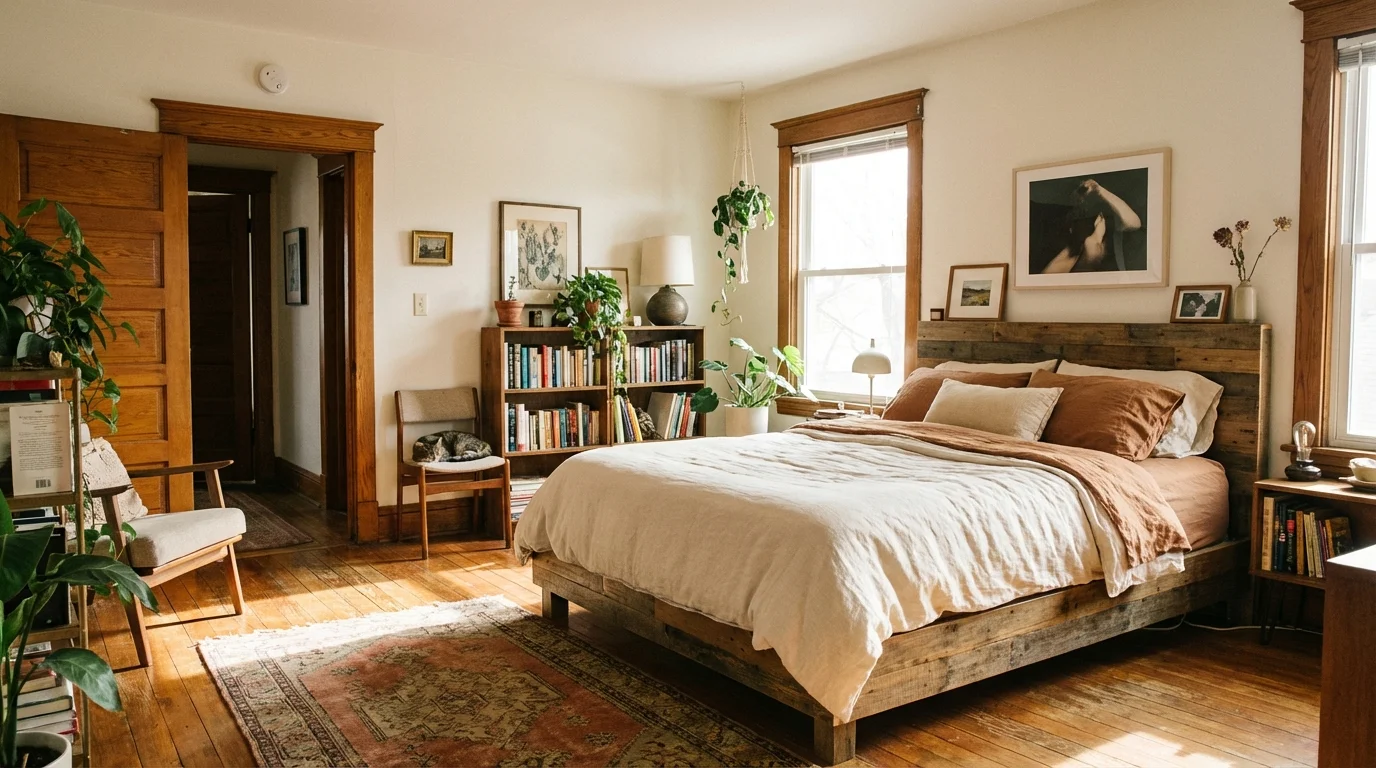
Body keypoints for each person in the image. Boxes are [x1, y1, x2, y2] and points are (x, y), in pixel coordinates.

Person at [1038, 178, 1142, 274]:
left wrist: (1100, 190)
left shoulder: (1104, 224)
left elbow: (1134, 223)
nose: (1080, 204)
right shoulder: (1071, 250)